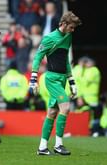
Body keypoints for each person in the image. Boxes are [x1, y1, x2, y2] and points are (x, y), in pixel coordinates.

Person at [29, 11, 81, 155]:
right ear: (63, 24)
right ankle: (59, 145)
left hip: (63, 78)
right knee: (65, 107)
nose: (73, 30)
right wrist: (33, 79)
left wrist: (72, 82)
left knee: (52, 112)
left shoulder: (68, 36)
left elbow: (65, 61)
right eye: (71, 27)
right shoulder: (49, 38)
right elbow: (37, 57)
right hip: (52, 79)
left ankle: (42, 147)